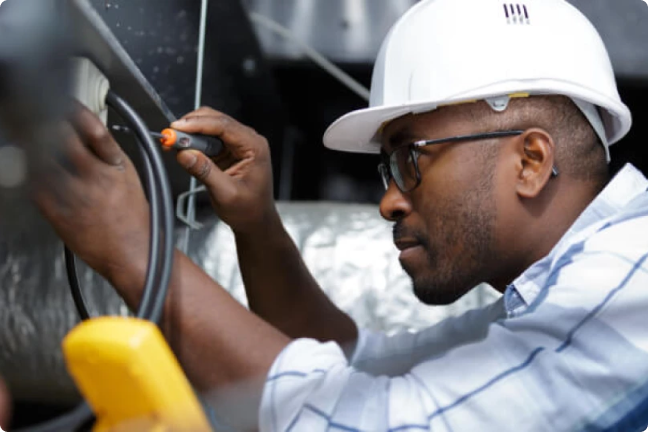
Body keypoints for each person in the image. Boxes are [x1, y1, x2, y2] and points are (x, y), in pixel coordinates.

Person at [32, 0, 648, 430]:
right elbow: (350, 360)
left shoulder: (628, 288)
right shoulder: (559, 303)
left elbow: (362, 424)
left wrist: (135, 248)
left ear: (531, 161)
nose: (387, 200)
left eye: (411, 157)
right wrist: (257, 226)